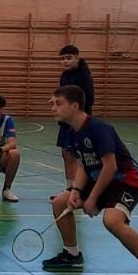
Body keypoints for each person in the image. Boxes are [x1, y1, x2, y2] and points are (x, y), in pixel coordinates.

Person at [42, 85, 138, 275]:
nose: (53, 108)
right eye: (52, 104)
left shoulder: (99, 128)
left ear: (75, 105)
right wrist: (76, 191)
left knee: (112, 221)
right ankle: (72, 254)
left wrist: (91, 199)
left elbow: (111, 166)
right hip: (98, 177)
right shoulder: (72, 132)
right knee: (60, 203)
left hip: (126, 179)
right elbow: (83, 164)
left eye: (58, 103)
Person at [56, 44, 96, 181]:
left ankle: (79, 188)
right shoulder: (65, 75)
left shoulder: (85, 76)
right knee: (66, 153)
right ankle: (69, 187)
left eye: (68, 58)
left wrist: (75, 113)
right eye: (62, 59)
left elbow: (89, 99)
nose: (65, 61)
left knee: (78, 155)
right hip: (66, 121)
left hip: (79, 122)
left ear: (77, 57)